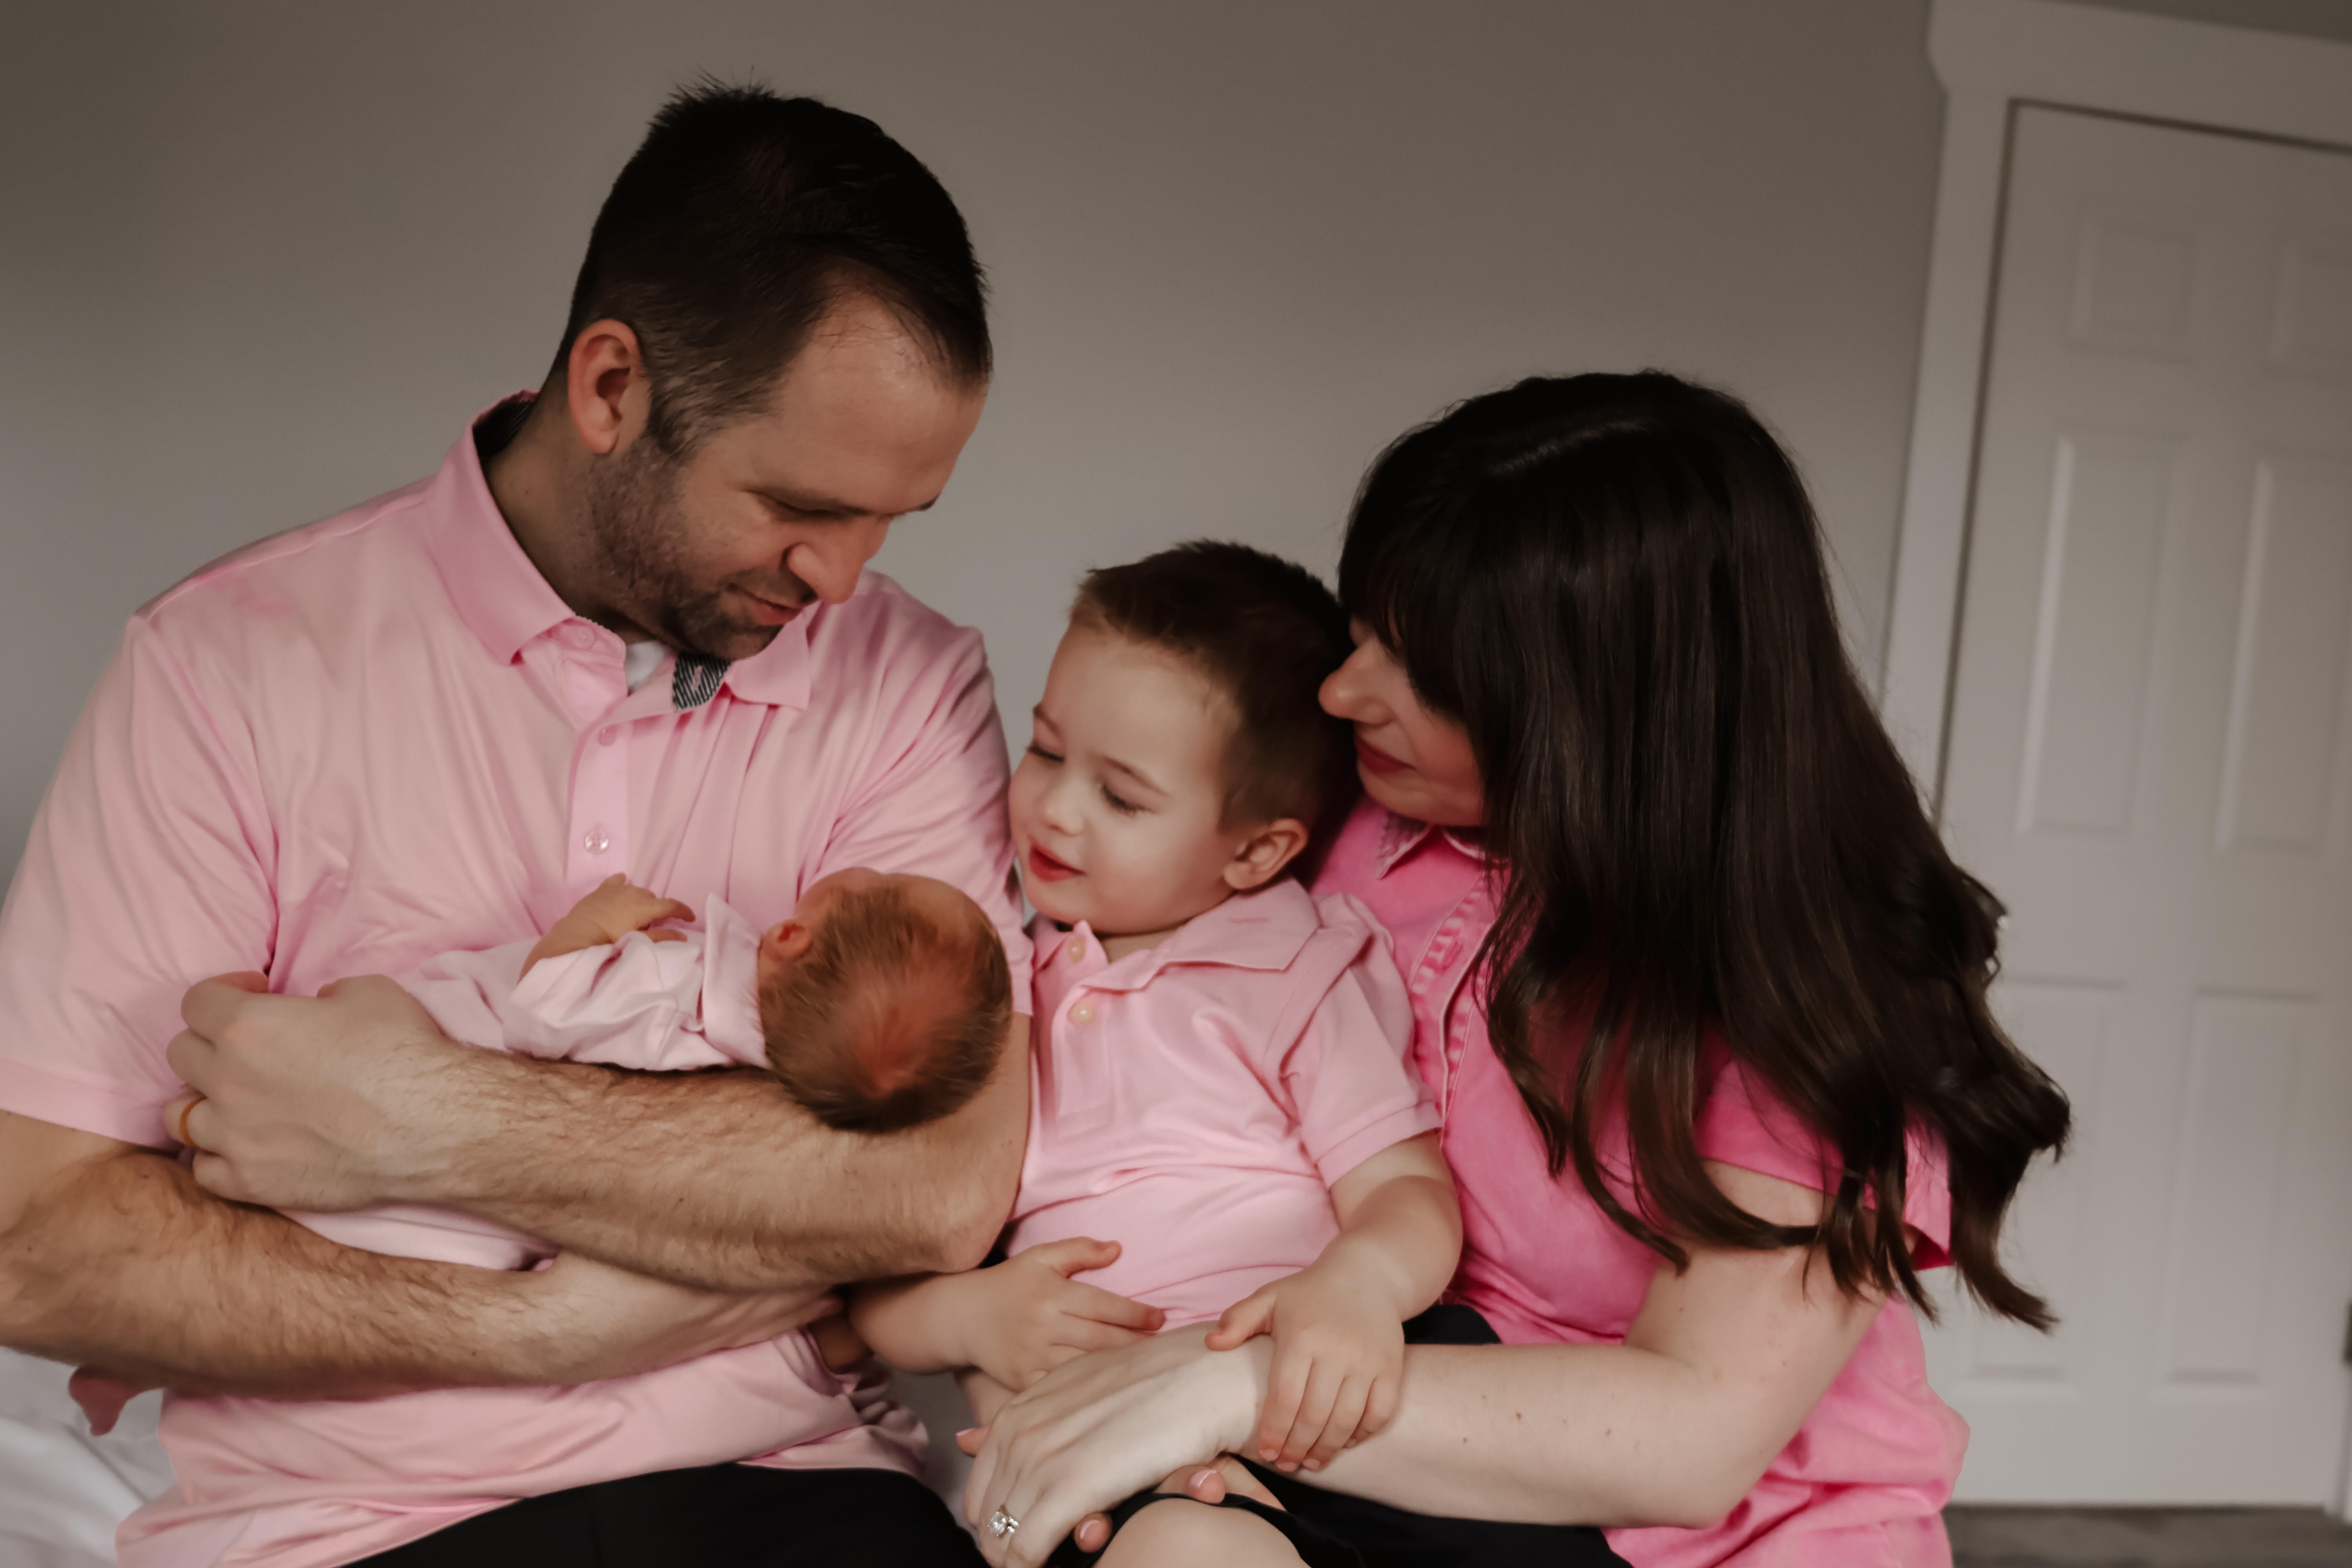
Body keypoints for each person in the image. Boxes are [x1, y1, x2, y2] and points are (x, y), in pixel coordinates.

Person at [0, 84, 1037, 1568]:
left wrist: (417, 1119)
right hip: (340, 1533)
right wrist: (536, 1327)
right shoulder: (226, 666)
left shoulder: (908, 684)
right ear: (612, 386)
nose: (844, 581)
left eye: (894, 522)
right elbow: (36, 1243)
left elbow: (937, 1185)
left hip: (790, 1504)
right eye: (801, 504)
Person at [956, 374, 2073, 1568]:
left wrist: (1221, 1391)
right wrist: (1039, 1403)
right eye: (1363, 631)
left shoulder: (1810, 991)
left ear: (1593, 718)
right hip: (1380, 1485)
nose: (1342, 693)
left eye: (1421, 672)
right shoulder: (1349, 830)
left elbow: (1691, 1444)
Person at [850, 543, 1623, 1568]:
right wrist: (971, 1317)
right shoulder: (989, 990)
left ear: (1257, 852)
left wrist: (1353, 1287)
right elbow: (875, 1283)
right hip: (1129, 1450)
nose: (1056, 808)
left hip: (1325, 1398)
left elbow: (1405, 1192)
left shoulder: (1288, 966)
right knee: (1185, 1552)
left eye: (1121, 798)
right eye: (1044, 751)